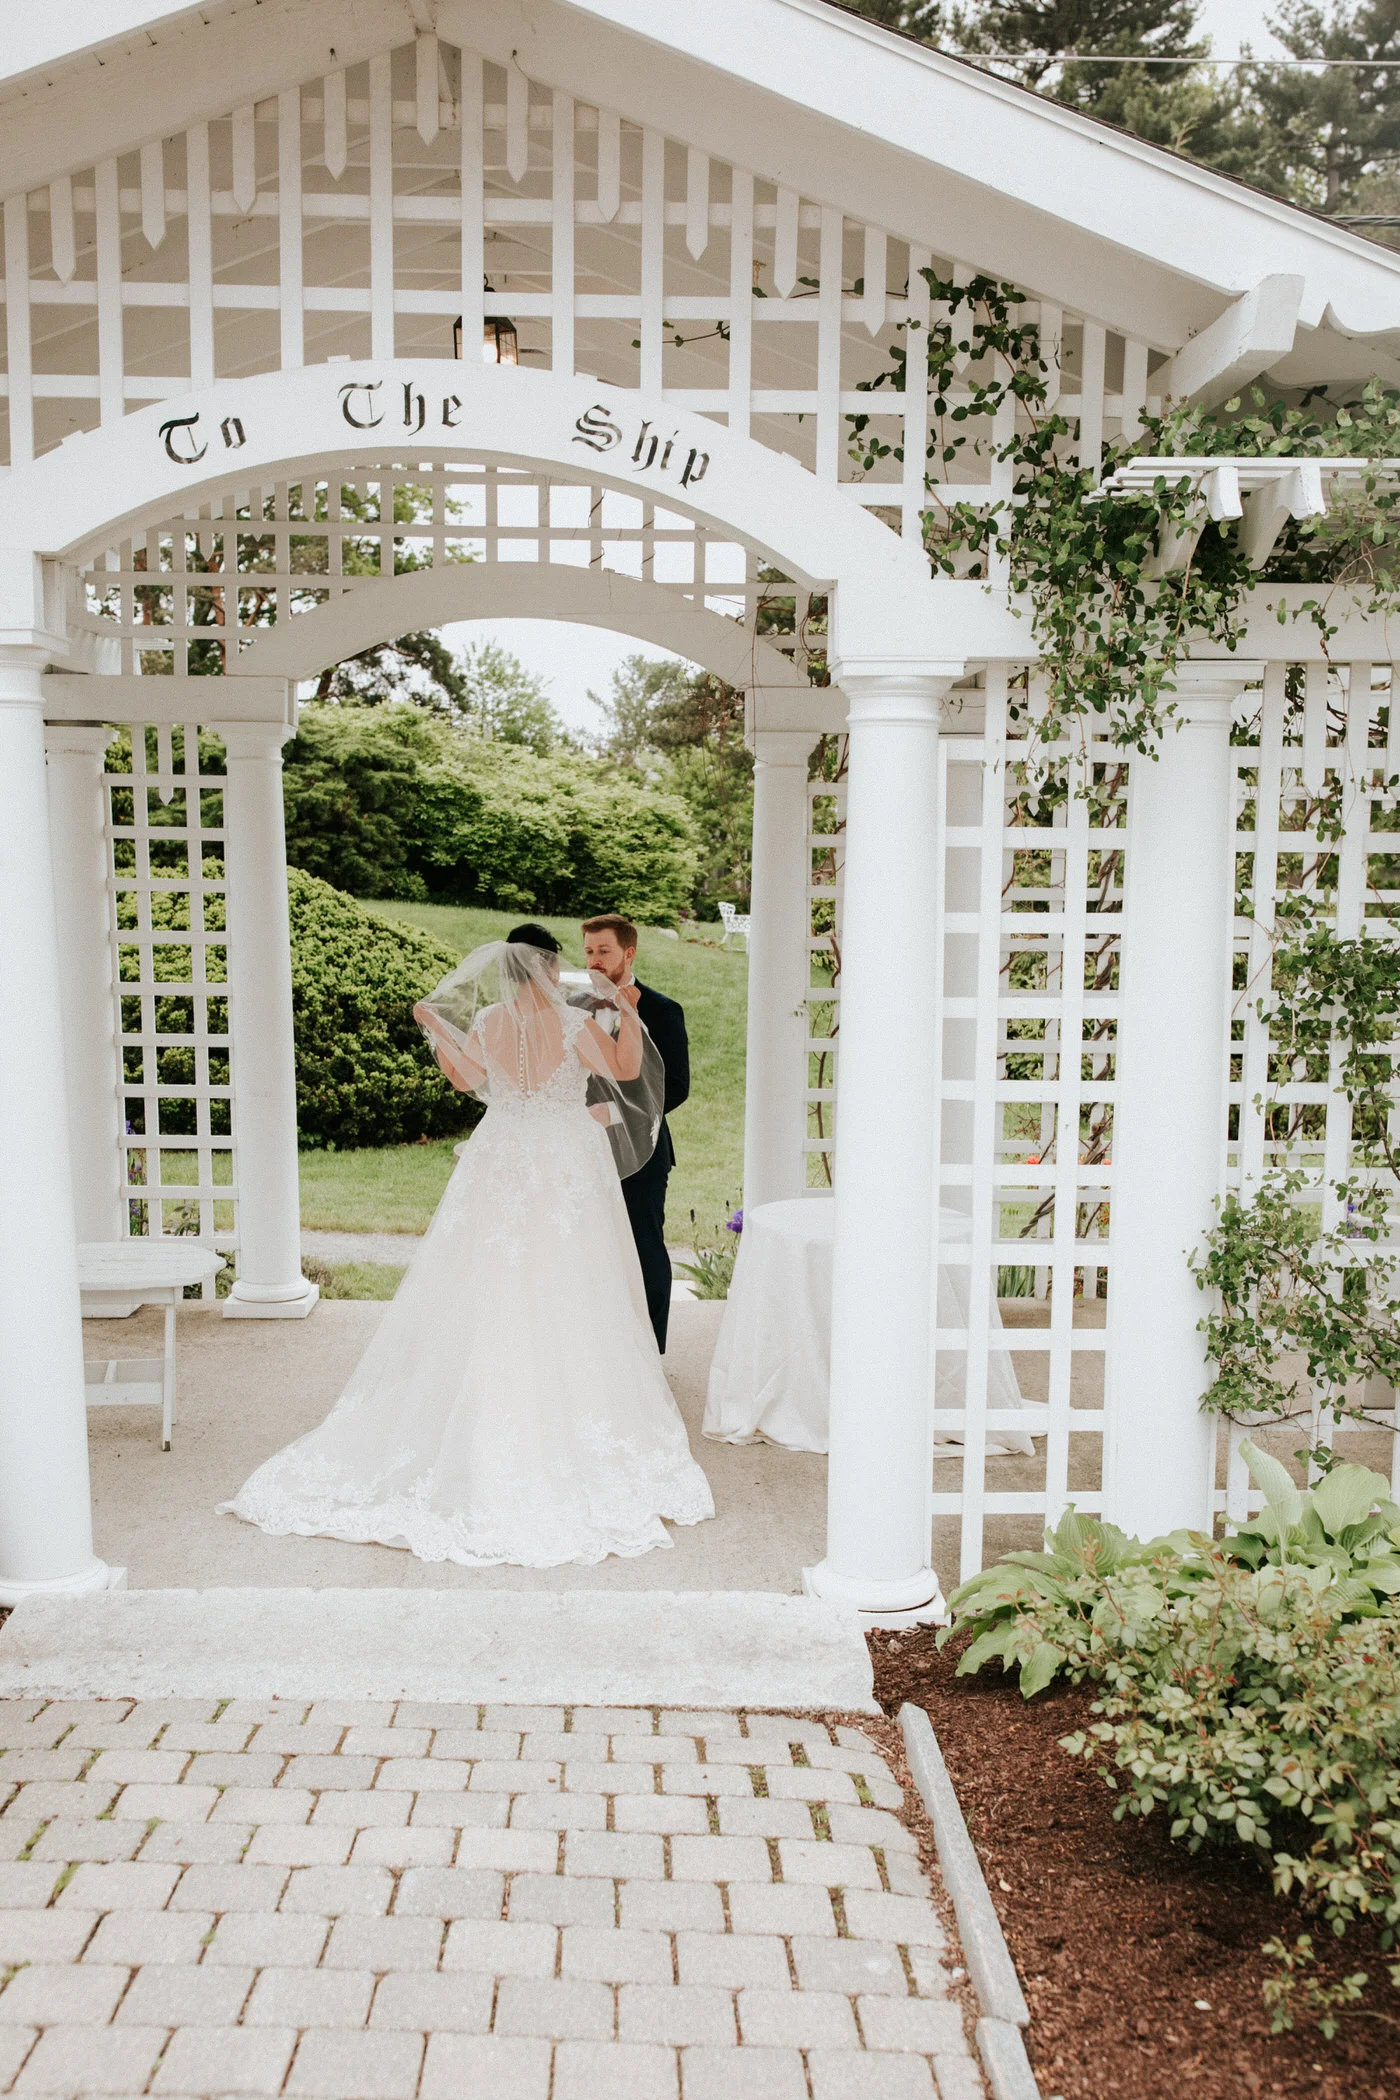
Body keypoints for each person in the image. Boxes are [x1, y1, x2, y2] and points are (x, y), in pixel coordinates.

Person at [218, 924, 714, 1568]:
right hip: (562, 1160)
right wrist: (626, 1014)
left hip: (501, 1153)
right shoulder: (571, 1023)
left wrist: (436, 1030)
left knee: (486, 1271)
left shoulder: (486, 1019)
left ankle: (472, 1397)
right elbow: (624, 1070)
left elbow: (466, 1079)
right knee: (569, 1276)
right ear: (548, 967)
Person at [579, 913, 689, 1353]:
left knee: (644, 1248)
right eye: (589, 951)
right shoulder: (573, 1010)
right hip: (579, 1148)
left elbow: (675, 1086)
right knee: (588, 1248)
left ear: (629, 953)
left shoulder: (663, 1010)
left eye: (604, 951)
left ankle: (649, 1353)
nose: (594, 960)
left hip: (642, 1151)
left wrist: (616, 1114)